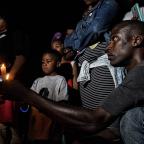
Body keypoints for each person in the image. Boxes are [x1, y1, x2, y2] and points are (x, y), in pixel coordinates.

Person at [1, 20, 144, 143]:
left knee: (132, 118)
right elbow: (107, 128)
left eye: (115, 39)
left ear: (136, 40)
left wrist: (26, 95)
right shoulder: (131, 76)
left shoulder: (140, 74)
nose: (108, 47)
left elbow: (95, 120)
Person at [28, 49, 69, 144]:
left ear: (58, 64)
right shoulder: (37, 81)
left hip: (51, 121)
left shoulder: (60, 79)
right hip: (37, 121)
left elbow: (62, 103)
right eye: (43, 62)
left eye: (48, 61)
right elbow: (31, 101)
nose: (44, 64)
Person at [0, 16, 30, 144]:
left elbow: (21, 57)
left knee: (12, 125)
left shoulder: (15, 34)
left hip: (10, 84)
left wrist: (9, 78)